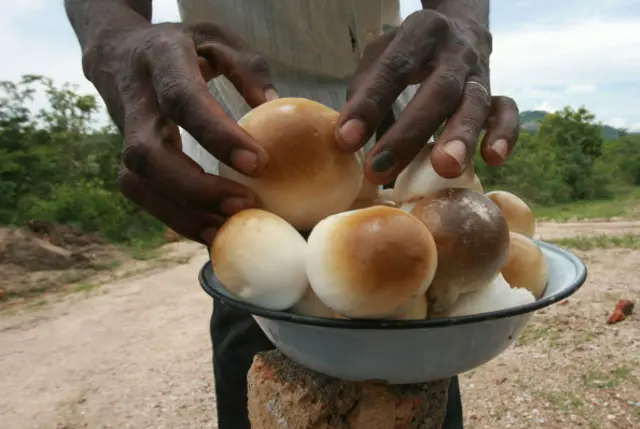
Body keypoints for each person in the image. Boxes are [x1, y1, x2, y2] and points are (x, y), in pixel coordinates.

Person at [64, 1, 520, 428]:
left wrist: (467, 28)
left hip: (391, 153)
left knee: (415, 381)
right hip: (247, 174)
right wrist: (110, 42)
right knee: (267, 366)